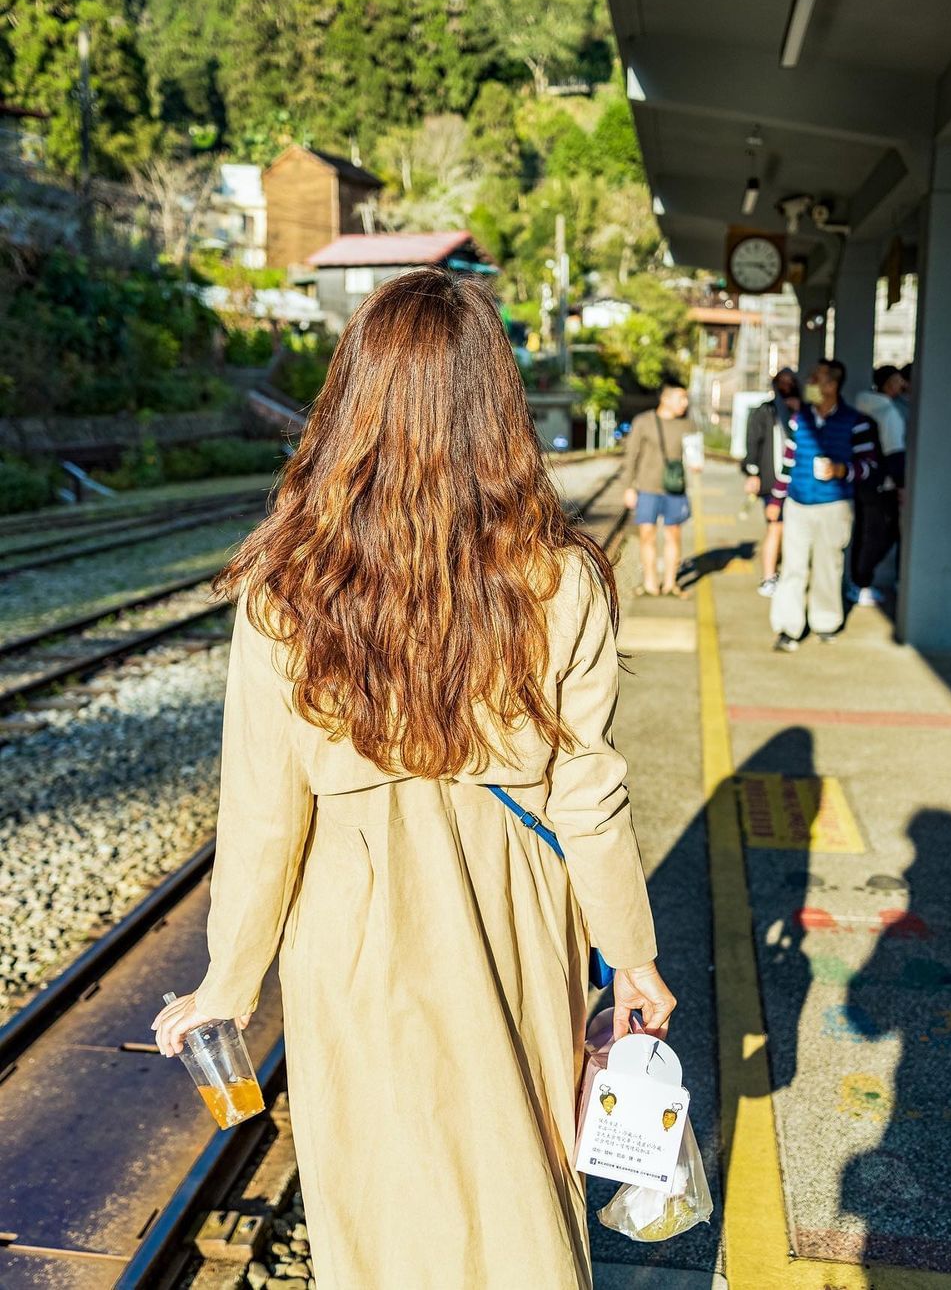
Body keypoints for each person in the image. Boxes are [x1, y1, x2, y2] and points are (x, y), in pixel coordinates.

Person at [151, 270, 676, 1289]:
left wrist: (230, 980)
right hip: (517, 902)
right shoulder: (561, 575)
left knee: (382, 1178)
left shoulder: (284, 586)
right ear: (497, 404)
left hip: (352, 912)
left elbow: (265, 814)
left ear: (352, 400)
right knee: (519, 1164)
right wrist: (634, 959)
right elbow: (590, 796)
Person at [769, 359, 878, 652]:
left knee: (829, 566)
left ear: (832, 385)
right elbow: (788, 463)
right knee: (793, 566)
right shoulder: (798, 419)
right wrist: (777, 499)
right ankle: (788, 628)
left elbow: (870, 467)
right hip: (798, 504)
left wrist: (842, 471)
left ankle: (825, 622)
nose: (809, 384)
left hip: (835, 505)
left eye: (815, 379)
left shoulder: (857, 422)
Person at [621, 384, 704, 598]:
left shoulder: (688, 424)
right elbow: (631, 456)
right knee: (647, 536)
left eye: (686, 399)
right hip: (647, 488)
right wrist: (628, 487)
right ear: (666, 399)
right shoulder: (643, 422)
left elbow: (694, 453)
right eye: (681, 399)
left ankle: (670, 583)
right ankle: (650, 584)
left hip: (674, 489)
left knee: (673, 536)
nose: (685, 403)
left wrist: (696, 464)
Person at [851, 364, 907, 607]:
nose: (901, 386)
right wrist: (901, 486)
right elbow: (895, 453)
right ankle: (862, 582)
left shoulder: (862, 405)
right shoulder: (889, 411)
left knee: (864, 533)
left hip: (860, 479)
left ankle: (858, 581)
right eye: (896, 381)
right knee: (882, 535)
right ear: (886, 384)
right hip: (881, 484)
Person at [742, 367, 801, 597]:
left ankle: (780, 572)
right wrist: (752, 472)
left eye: (791, 380)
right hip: (772, 481)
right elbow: (752, 443)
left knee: (788, 530)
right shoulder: (764, 410)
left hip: (798, 482)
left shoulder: (802, 411)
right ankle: (768, 576)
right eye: (782, 381)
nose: (787, 385)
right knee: (776, 527)